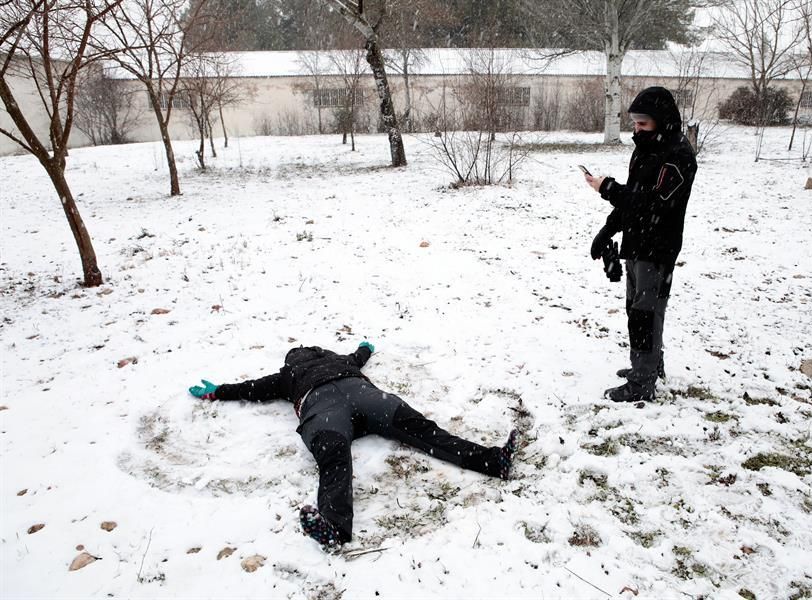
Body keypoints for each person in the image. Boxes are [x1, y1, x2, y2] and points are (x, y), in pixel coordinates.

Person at [188, 341, 519, 550]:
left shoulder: (293, 373)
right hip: (355, 399)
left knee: (348, 454)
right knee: (413, 434)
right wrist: (366, 350)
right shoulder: (321, 365)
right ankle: (333, 528)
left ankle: (492, 461)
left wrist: (219, 391)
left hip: (331, 404)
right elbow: (253, 388)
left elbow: (251, 388)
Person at [584, 86, 697, 403]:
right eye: (634, 123)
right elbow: (633, 201)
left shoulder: (679, 157)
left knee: (646, 314)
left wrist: (606, 188)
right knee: (637, 311)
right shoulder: (646, 150)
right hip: (636, 244)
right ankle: (646, 365)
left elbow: (651, 204)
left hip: (658, 248)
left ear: (661, 122)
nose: (636, 130)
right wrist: (608, 230)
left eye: (643, 124)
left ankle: (642, 382)